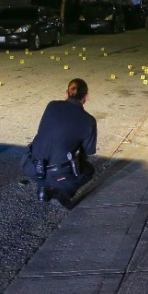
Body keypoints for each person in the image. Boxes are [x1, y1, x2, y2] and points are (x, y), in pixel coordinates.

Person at [23, 78, 97, 208]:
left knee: (47, 149)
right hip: (56, 174)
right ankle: (63, 194)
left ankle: (42, 189)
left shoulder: (51, 106)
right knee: (88, 171)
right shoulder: (89, 121)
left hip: (29, 165)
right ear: (86, 97)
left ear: (67, 93)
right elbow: (89, 151)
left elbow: (42, 131)